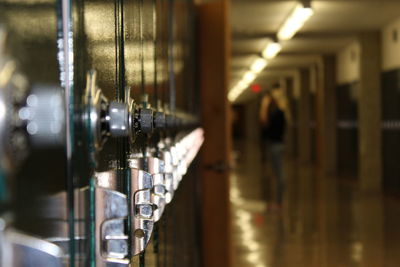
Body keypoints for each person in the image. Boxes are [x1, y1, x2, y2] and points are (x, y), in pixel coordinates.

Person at [259, 89, 286, 210]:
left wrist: (264, 106)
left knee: (279, 174)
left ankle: (279, 202)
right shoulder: (278, 113)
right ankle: (279, 201)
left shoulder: (278, 113)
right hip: (276, 145)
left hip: (276, 145)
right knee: (277, 173)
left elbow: (264, 121)